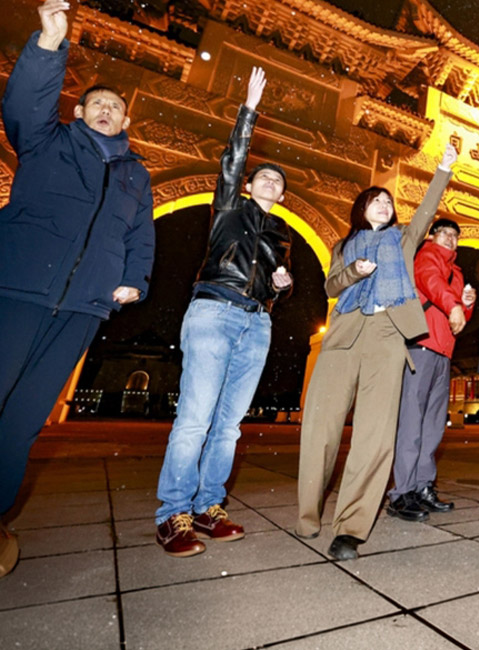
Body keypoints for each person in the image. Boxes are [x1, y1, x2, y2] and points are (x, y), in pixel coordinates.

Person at [0, 0, 154, 577]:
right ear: (79, 111)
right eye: (97, 104)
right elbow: (22, 106)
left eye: (115, 107)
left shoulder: (137, 175)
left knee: (25, 419)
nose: (107, 111)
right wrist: (48, 47)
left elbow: (141, 239)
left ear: (127, 121)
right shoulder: (46, 143)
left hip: (82, 308)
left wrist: (134, 281)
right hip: (16, 287)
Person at [153, 67, 292, 557]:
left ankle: (210, 506)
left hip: (256, 323)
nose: (271, 181)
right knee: (195, 417)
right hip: (214, 311)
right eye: (264, 176)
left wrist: (283, 284)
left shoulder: (281, 235)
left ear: (282, 194)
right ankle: (173, 513)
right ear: (250, 186)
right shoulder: (229, 208)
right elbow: (232, 164)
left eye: (278, 179)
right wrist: (248, 113)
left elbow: (278, 283)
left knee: (229, 425)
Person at [296, 143, 457, 560]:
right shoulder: (342, 246)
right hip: (344, 337)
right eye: (376, 200)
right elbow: (331, 286)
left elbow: (425, 211)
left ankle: (350, 526)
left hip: (387, 337)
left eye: (388, 201)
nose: (384, 205)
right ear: (361, 209)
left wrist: (443, 169)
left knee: (375, 435)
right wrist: (355, 271)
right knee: (321, 427)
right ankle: (309, 511)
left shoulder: (404, 239)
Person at [386, 218, 475, 521]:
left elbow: (458, 320)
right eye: (445, 233)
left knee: (433, 427)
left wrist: (466, 304)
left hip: (443, 353)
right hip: (420, 347)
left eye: (455, 236)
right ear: (434, 235)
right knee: (412, 424)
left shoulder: (457, 272)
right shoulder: (427, 256)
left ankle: (423, 486)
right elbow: (429, 281)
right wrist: (453, 304)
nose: (451, 239)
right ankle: (402, 493)